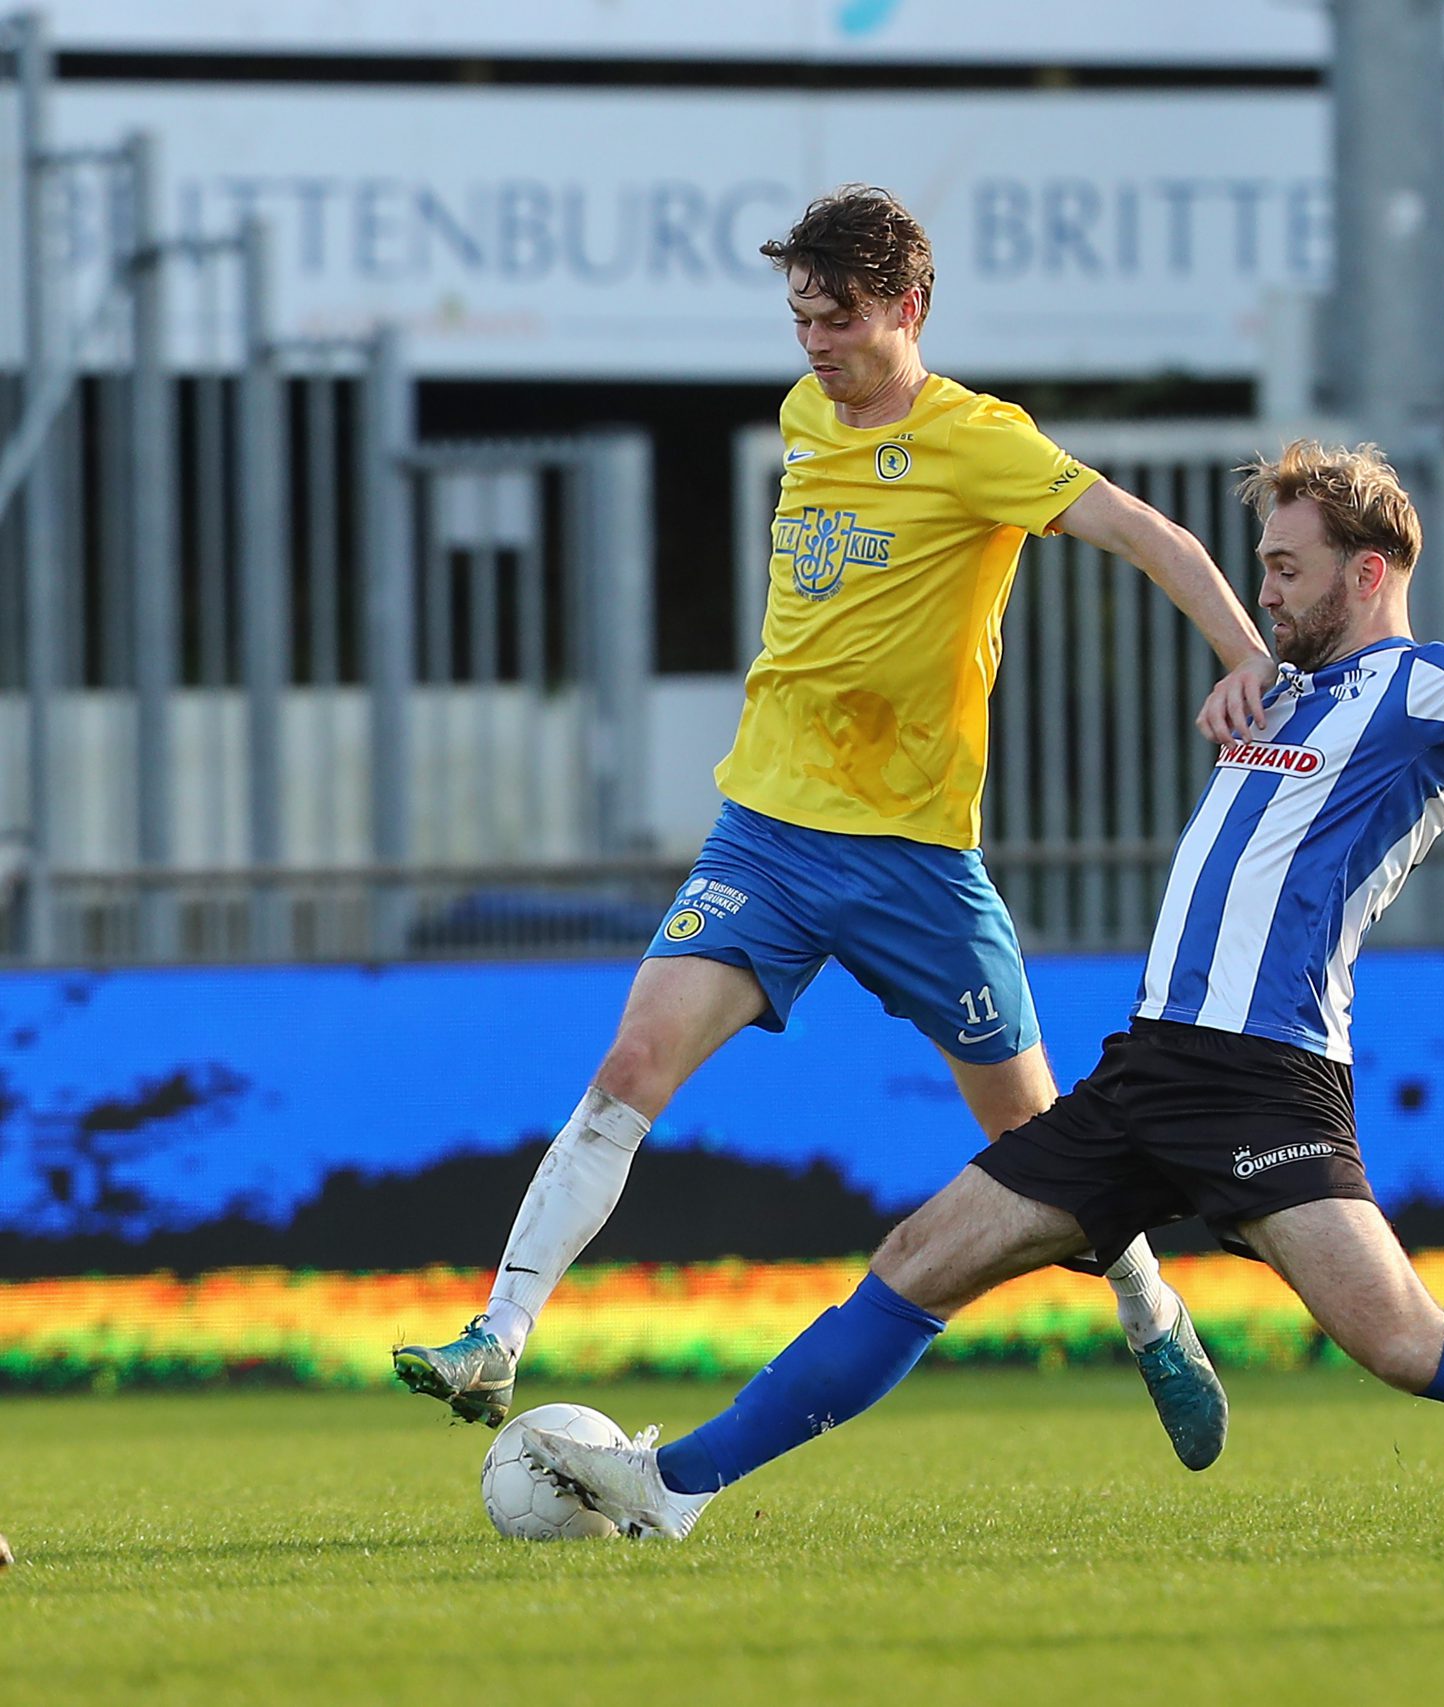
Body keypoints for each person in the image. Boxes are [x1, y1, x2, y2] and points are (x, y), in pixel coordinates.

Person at [517, 440, 1444, 1540]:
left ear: (1369, 573)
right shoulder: (1292, 686)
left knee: (1399, 1335)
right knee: (916, 1259)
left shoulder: (1420, 686)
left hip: (1263, 1075)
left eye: (1287, 565)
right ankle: (677, 1486)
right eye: (1260, 564)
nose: (1264, 586)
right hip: (1145, 1071)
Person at [392, 184, 1284, 1469]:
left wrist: (1247, 657)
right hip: (764, 831)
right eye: (802, 316)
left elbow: (1149, 535)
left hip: (916, 859)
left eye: (843, 316)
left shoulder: (983, 442)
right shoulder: (806, 414)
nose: (817, 343)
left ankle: (1149, 1305)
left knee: (1035, 1143)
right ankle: (500, 1331)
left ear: (909, 307)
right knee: (633, 1064)